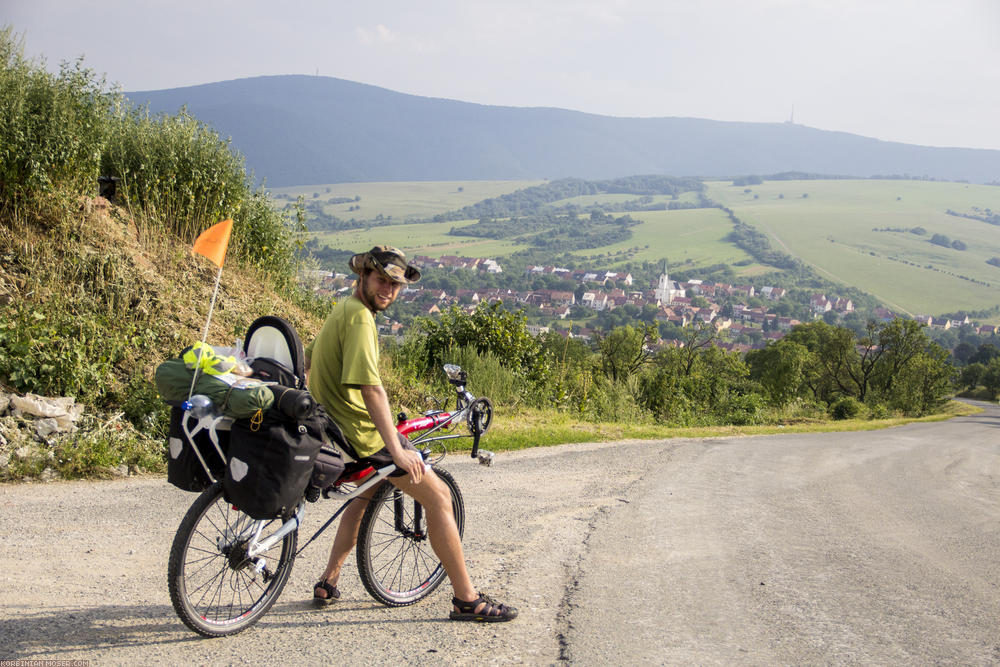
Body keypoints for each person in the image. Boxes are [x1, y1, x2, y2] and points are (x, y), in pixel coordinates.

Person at [304, 245, 517, 622]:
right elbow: (372, 390)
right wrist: (396, 450)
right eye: (382, 280)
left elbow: (310, 361)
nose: (388, 290)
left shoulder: (342, 309)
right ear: (364, 277)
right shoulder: (360, 319)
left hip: (333, 431)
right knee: (438, 497)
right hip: (359, 436)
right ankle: (467, 599)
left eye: (395, 284)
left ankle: (328, 581)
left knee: (366, 494)